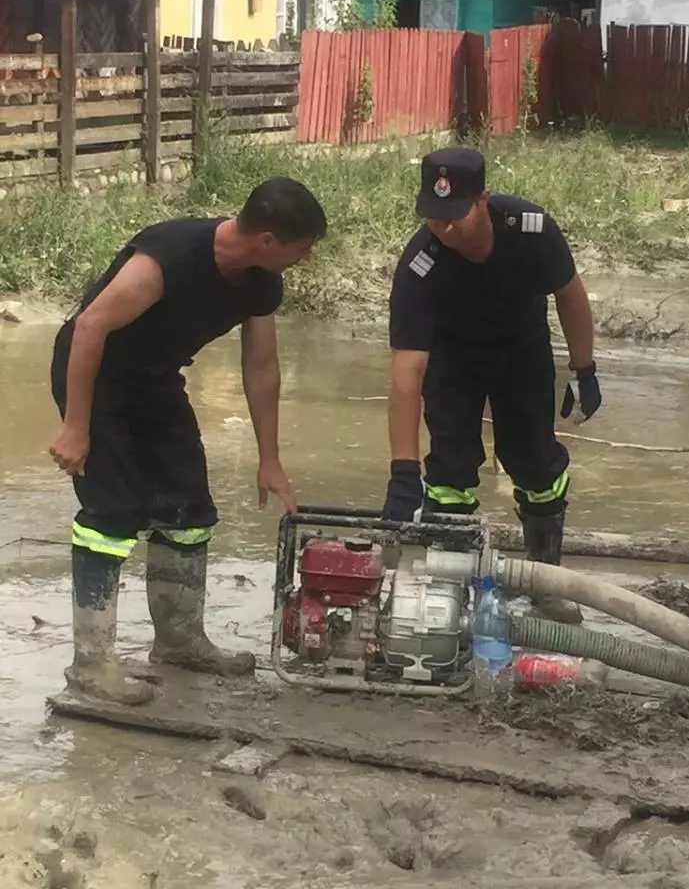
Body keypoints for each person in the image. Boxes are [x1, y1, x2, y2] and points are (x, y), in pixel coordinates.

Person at [49, 176, 327, 706]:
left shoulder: (261, 281)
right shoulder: (170, 255)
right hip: (96, 374)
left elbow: (261, 366)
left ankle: (178, 641)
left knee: (189, 509)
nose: (307, 258)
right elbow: (89, 328)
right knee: (112, 515)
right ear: (267, 240)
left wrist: (269, 458)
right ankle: (90, 666)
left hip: (156, 379)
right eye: (302, 247)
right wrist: (76, 426)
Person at [381, 147, 601, 623]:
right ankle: (449, 591)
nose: (445, 228)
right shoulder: (421, 264)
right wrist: (402, 470)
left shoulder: (531, 230)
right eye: (435, 217)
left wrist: (583, 370)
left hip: (521, 351)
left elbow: (570, 295)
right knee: (449, 471)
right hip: (452, 361)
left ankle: (546, 583)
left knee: (537, 465)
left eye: (456, 216)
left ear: (483, 199)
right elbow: (406, 374)